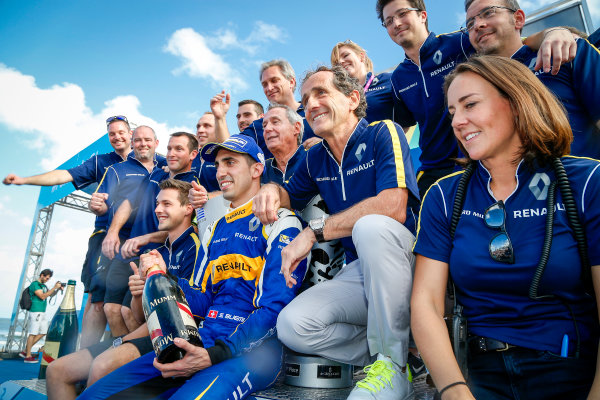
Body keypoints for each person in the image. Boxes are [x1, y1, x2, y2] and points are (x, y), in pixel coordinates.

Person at [411, 55, 600, 399]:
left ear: (516, 102)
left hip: (570, 369)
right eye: (452, 112)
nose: (458, 121)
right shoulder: (443, 195)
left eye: (470, 105)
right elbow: (425, 304)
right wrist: (455, 390)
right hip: (478, 376)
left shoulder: (587, 181)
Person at [77, 135, 306, 399]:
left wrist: (215, 354)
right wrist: (162, 278)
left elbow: (275, 308)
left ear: (256, 169)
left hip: (252, 352)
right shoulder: (216, 227)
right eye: (218, 165)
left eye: (230, 162)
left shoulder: (283, 222)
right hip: (203, 338)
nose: (220, 172)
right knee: (94, 395)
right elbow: (200, 298)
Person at [253, 65, 420, 399]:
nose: (311, 104)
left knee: (371, 227)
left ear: (353, 98)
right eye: (305, 99)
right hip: (360, 272)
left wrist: (313, 232)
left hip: (408, 262)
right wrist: (272, 190)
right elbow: (290, 193)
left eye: (321, 93)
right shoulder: (316, 157)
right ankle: (398, 356)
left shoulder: (381, 132)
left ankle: (394, 367)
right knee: (293, 325)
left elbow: (393, 207)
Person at [376, 0, 579, 198]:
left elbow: (511, 41)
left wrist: (553, 33)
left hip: (475, 162)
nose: (397, 23)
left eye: (403, 14)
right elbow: (404, 125)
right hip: (432, 168)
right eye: (389, 21)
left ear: (422, 15)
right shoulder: (398, 78)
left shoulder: (460, 43)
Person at [46, 179, 199, 400]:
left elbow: (176, 316)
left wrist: (121, 341)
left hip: (174, 340)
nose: (157, 209)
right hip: (148, 332)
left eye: (166, 204)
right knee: (56, 370)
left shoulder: (196, 246)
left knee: (101, 366)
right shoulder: (159, 252)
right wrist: (138, 294)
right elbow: (139, 315)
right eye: (157, 204)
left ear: (187, 208)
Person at [3, 115, 132, 348]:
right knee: (96, 299)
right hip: (104, 237)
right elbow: (65, 175)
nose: (117, 137)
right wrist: (24, 180)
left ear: (131, 133)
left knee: (129, 301)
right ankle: (84, 360)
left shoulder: (151, 159)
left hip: (137, 237)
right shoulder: (100, 162)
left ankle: (123, 357)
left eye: (121, 132)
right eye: (112, 134)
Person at [463, 0, 600, 159]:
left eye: (488, 13)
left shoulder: (569, 52)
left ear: (518, 19)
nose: (478, 25)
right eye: (470, 24)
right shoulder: (471, 91)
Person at [91, 125, 165, 337]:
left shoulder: (166, 168)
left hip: (155, 246)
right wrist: (111, 231)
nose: (143, 144)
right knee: (109, 307)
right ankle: (117, 355)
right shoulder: (116, 170)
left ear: (156, 144)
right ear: (132, 143)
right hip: (123, 244)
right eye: (138, 140)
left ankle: (134, 356)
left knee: (133, 312)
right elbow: (116, 203)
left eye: (148, 140)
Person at [211, 59, 320, 158]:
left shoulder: (314, 112)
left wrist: (325, 145)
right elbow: (230, 149)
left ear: (291, 82)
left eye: (274, 80)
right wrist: (220, 118)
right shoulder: (258, 126)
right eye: (264, 84)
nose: (269, 88)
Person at [330, 39, 400, 125]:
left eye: (345, 55)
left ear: (361, 56)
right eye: (336, 62)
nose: (341, 61)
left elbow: (408, 119)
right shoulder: (338, 94)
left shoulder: (389, 80)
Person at [22, 269, 62, 363]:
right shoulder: (35, 284)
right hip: (35, 311)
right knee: (33, 333)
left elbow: (50, 295)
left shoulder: (44, 285)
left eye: (49, 279)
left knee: (43, 332)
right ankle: (28, 356)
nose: (47, 280)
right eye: (47, 278)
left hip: (42, 312)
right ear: (42, 275)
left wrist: (56, 289)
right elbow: (42, 296)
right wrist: (54, 287)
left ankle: (25, 351)